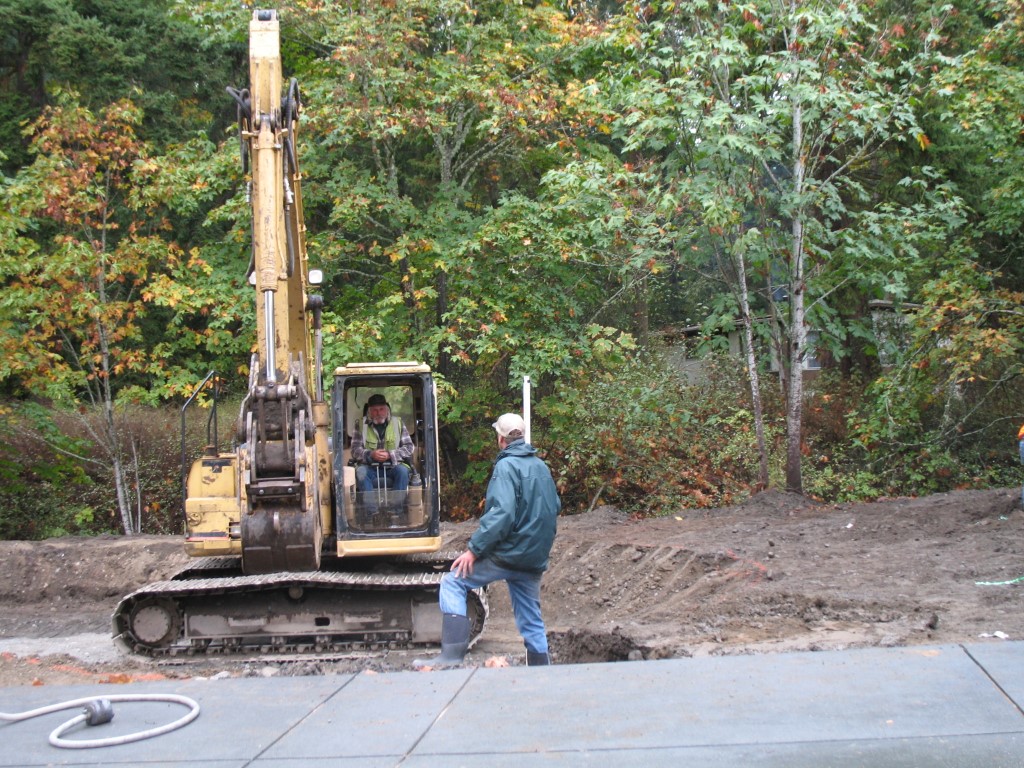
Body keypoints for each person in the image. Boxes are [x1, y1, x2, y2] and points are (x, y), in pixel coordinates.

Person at [415, 412, 560, 669]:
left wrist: (473, 550)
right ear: (522, 436)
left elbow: (501, 515)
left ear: (500, 439)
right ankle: (541, 668)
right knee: (531, 617)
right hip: (533, 557)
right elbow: (553, 507)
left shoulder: (506, 467)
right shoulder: (541, 467)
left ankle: (450, 656)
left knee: (452, 583)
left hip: (508, 554)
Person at [350, 394, 415, 512]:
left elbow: (409, 447)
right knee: (361, 471)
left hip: (393, 466)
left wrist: (390, 454)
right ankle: (371, 513)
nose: (378, 413)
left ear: (387, 409)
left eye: (381, 409)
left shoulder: (398, 423)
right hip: (369, 467)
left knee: (403, 471)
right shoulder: (360, 425)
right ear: (369, 411)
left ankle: (396, 512)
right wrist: (370, 454)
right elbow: (355, 450)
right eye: (374, 410)